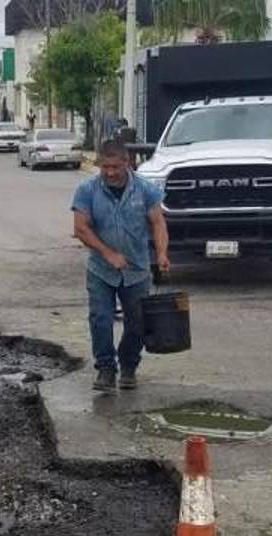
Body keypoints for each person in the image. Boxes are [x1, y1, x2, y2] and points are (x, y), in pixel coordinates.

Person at [71, 139, 170, 392]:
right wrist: (108, 253)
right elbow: (80, 228)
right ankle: (105, 368)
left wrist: (161, 254)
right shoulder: (87, 190)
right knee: (100, 319)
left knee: (137, 324)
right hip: (101, 270)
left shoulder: (145, 190)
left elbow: (158, 222)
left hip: (136, 271)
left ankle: (128, 367)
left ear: (127, 162)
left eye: (115, 167)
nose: (110, 173)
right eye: (105, 167)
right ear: (99, 164)